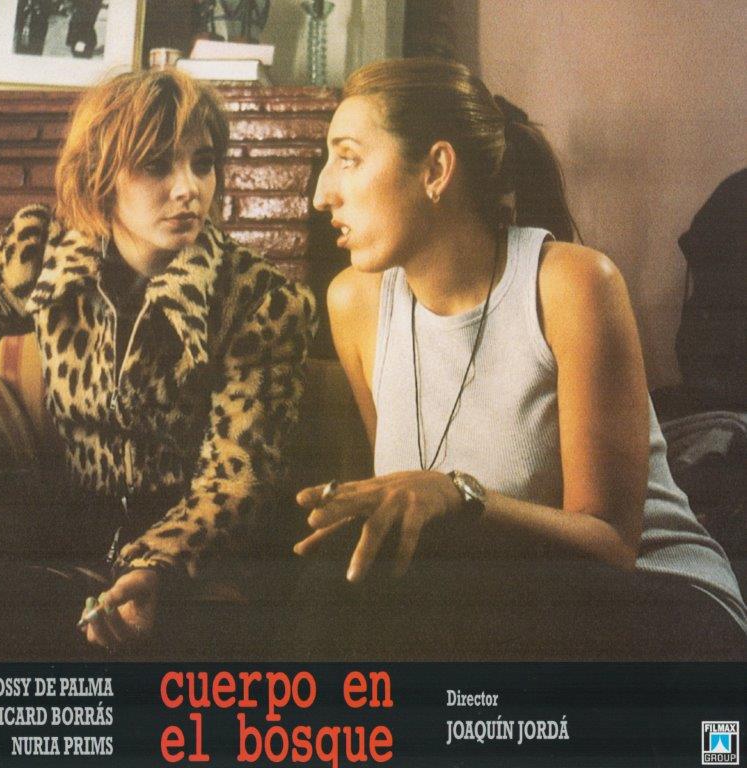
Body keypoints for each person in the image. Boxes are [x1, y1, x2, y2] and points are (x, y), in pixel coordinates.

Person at [0, 68, 316, 660]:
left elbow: (237, 483)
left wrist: (155, 567)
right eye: (157, 165)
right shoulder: (42, 254)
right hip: (71, 526)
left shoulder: (259, 299)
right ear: (101, 176)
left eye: (202, 163)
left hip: (198, 550)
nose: (189, 188)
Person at [293, 57, 747, 661]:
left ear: (436, 169)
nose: (323, 193)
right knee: (333, 586)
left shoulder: (574, 284)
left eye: (348, 158)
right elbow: (410, 506)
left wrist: (458, 496)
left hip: (658, 604)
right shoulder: (354, 303)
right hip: (504, 605)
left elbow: (611, 544)